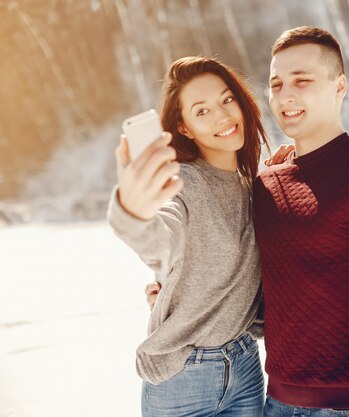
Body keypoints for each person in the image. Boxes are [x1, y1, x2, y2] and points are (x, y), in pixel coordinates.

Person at [148, 27, 349, 417]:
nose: (286, 95)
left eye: (302, 81)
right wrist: (182, 292)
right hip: (276, 404)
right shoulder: (265, 187)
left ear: (340, 86)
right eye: (277, 83)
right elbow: (256, 282)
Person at [109, 56, 274, 417]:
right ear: (183, 128)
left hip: (245, 368)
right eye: (202, 111)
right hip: (184, 377)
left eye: (227, 100)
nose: (223, 116)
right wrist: (133, 211)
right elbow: (162, 236)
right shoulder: (183, 185)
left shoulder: (251, 186)